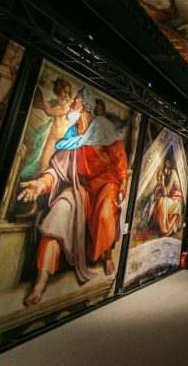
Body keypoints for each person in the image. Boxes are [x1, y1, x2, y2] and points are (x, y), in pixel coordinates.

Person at [17, 87, 128, 305]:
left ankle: (106, 255)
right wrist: (39, 185)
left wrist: (121, 183)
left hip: (106, 182)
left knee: (105, 213)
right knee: (59, 212)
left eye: (74, 102)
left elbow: (118, 156)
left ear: (84, 106)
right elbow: (57, 171)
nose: (70, 107)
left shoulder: (102, 128)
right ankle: (41, 281)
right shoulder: (72, 136)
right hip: (81, 188)